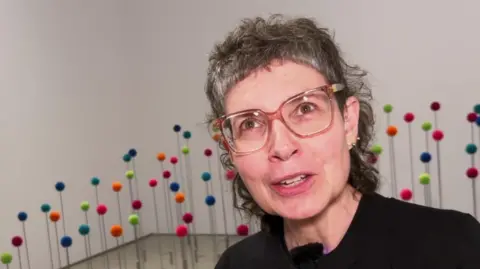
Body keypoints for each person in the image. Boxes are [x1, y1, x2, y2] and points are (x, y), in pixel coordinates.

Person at [204, 14, 480, 269]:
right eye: (250, 124)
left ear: (348, 122)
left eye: (305, 109)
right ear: (231, 151)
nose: (282, 147)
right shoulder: (236, 264)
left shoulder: (453, 247)